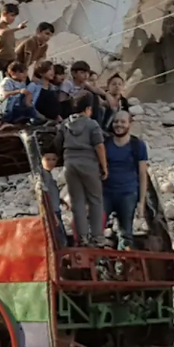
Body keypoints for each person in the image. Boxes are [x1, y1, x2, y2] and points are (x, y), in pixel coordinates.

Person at [55, 94, 108, 247]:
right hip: (88, 163)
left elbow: (57, 144)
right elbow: (99, 146)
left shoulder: (65, 124)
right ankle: (98, 236)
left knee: (77, 202)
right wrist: (104, 167)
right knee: (95, 200)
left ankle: (83, 238)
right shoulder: (92, 124)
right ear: (88, 109)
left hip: (69, 163)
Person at [103, 111, 149, 250]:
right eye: (116, 121)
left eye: (123, 122)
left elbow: (142, 174)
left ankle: (122, 265)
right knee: (97, 231)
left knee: (126, 234)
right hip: (105, 193)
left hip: (128, 194)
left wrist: (141, 202)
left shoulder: (138, 145)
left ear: (130, 124)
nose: (119, 125)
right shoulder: (105, 144)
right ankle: (100, 265)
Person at [70, 60, 115, 131]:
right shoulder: (69, 84)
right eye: (82, 73)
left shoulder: (85, 84)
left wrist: (107, 95)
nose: (85, 75)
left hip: (86, 109)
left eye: (86, 73)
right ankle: (97, 127)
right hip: (74, 108)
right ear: (74, 74)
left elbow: (95, 90)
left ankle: (103, 128)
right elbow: (65, 99)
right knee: (91, 95)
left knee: (107, 107)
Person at [41, 151, 69, 245]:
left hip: (56, 210)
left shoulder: (49, 175)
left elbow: (51, 193)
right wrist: (51, 214)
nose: (51, 162)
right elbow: (43, 195)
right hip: (51, 212)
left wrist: (61, 201)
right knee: (59, 238)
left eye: (54, 159)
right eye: (47, 159)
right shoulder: (43, 176)